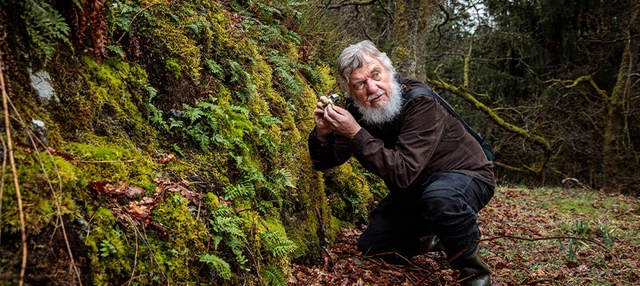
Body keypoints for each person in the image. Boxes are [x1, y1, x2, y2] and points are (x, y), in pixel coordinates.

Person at [307, 40, 495, 286]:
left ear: (389, 71)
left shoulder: (421, 102)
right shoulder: (357, 109)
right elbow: (327, 161)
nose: (372, 88)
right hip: (416, 190)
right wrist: (323, 133)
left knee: (441, 198)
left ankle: (475, 274)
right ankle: (443, 235)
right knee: (373, 245)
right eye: (360, 84)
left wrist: (354, 133)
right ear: (349, 91)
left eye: (376, 74)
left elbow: (403, 172)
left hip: (466, 175)